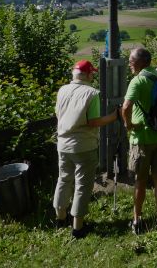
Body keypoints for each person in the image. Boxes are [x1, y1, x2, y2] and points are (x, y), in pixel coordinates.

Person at [53, 59, 119, 239]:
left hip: (63, 144)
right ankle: (78, 227)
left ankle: (60, 218)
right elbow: (93, 122)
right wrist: (113, 117)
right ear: (89, 75)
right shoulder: (92, 93)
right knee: (82, 185)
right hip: (84, 146)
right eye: (93, 74)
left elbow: (58, 114)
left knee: (64, 179)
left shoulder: (62, 90)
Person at [122, 46, 157, 234]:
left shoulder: (138, 81)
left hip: (143, 138)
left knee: (140, 180)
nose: (129, 63)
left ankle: (137, 220)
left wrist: (128, 126)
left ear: (142, 62)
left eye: (131, 60)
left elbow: (126, 107)